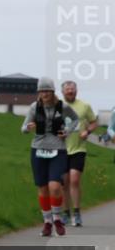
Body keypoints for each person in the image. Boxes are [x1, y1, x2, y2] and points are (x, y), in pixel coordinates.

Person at [21, 77, 78, 237]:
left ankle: (57, 218)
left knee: (55, 186)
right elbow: (23, 128)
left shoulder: (62, 106)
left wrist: (67, 131)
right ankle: (47, 222)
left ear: (53, 92)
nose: (44, 94)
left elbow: (75, 120)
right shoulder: (34, 107)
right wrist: (28, 127)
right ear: (39, 92)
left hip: (58, 150)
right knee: (43, 188)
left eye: (47, 91)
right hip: (38, 149)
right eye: (42, 91)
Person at [59, 80, 99, 226]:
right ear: (62, 92)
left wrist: (87, 131)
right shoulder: (57, 106)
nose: (70, 91)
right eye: (68, 89)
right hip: (61, 149)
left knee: (74, 180)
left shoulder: (84, 106)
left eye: (73, 89)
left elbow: (94, 122)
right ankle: (65, 214)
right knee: (64, 183)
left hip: (78, 148)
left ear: (76, 91)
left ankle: (76, 213)